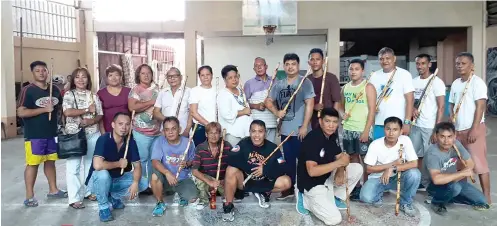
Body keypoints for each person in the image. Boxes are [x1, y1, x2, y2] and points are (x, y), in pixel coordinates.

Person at [295, 108, 363, 225]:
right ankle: (305, 198)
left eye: (335, 122)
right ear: (320, 121)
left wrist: (340, 170)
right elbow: (312, 171)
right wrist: (339, 164)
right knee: (334, 219)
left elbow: (341, 157)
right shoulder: (313, 138)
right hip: (312, 184)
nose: (331, 125)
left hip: (326, 179)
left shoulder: (331, 137)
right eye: (327, 121)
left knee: (357, 168)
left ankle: (335, 197)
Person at [265, 53, 315, 200]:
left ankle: (306, 188)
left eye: (293, 64)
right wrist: (277, 112)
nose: (290, 67)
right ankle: (290, 189)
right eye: (287, 64)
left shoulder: (304, 82)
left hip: (301, 130)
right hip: (285, 131)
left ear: (298, 66)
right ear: (284, 66)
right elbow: (268, 101)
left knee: (305, 160)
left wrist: (305, 126)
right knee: (289, 162)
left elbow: (310, 104)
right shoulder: (279, 84)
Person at [17, 60, 67, 207]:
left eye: (44, 70)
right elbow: (21, 112)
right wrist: (43, 110)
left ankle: (53, 190)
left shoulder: (55, 89)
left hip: (52, 134)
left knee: (50, 162)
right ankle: (29, 196)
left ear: (48, 72)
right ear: (33, 73)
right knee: (33, 164)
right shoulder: (28, 90)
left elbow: (61, 109)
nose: (41, 73)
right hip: (34, 136)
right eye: (38, 70)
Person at [222, 120, 292, 222]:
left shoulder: (273, 147)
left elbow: (283, 167)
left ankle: (263, 192)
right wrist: (250, 167)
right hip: (245, 182)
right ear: (249, 132)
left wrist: (265, 170)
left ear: (265, 133)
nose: (257, 135)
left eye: (260, 131)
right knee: (230, 169)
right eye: (253, 131)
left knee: (286, 181)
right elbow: (230, 158)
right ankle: (228, 206)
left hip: (264, 182)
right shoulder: (244, 143)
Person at [85, 112, 148, 222]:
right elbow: (97, 165)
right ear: (113, 125)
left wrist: (135, 183)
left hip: (117, 179)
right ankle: (103, 207)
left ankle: (113, 197)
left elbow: (137, 166)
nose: (124, 127)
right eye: (120, 124)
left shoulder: (131, 142)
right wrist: (118, 164)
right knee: (103, 174)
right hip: (97, 181)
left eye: (127, 124)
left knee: (143, 183)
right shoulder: (104, 139)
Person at [449, 52, 491, 203]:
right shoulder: (455, 83)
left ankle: (486, 197)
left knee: (479, 163)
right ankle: (464, 194)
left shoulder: (477, 83)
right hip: (458, 130)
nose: (460, 66)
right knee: (461, 163)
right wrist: (451, 122)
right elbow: (452, 104)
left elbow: (480, 107)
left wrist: (474, 129)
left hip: (473, 129)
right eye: (458, 63)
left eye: (463, 63)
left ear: (472, 65)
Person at [359, 116, 421, 217]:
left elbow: (414, 163)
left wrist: (392, 168)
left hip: (397, 177)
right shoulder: (375, 145)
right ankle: (377, 196)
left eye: (395, 130)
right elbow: (369, 169)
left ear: (401, 131)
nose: (391, 133)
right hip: (379, 178)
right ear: (384, 130)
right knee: (366, 197)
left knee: (414, 174)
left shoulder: (405, 140)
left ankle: (405, 203)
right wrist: (391, 164)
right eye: (388, 129)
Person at [424, 122, 490, 215]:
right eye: (442, 136)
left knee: (481, 201)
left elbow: (470, 163)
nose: (446, 141)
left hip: (453, 180)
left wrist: (461, 173)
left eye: (449, 136)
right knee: (456, 188)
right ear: (436, 136)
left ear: (454, 136)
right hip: (434, 185)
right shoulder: (433, 153)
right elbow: (436, 179)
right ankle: (436, 202)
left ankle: (448, 197)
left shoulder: (456, 144)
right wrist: (462, 173)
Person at [62, 67, 103, 208]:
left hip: (92, 134)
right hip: (74, 136)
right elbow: (67, 112)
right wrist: (86, 110)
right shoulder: (69, 94)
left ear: (88, 79)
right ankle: (74, 198)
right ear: (73, 80)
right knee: (73, 167)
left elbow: (100, 114)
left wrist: (92, 120)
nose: (81, 79)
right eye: (77, 77)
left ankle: (89, 191)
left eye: (84, 76)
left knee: (90, 165)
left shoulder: (93, 95)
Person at [341, 59, 376, 199]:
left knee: (366, 160)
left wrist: (367, 130)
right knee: (353, 159)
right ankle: (357, 187)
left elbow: (373, 110)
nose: (353, 71)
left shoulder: (368, 87)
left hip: (362, 129)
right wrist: (342, 114)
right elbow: (340, 106)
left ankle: (367, 187)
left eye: (356, 69)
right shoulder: (345, 88)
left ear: (362, 71)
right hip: (348, 129)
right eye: (351, 69)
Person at [410, 54, 445, 191]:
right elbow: (411, 101)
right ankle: (419, 181)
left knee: (430, 156)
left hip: (429, 126)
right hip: (415, 125)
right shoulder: (413, 81)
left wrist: (437, 129)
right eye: (418, 64)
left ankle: (432, 184)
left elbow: (441, 107)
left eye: (423, 63)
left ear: (429, 64)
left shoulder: (437, 82)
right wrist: (413, 108)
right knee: (415, 155)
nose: (420, 66)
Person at [150, 116, 198, 217]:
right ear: (163, 131)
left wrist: (187, 163)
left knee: (192, 198)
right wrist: (167, 173)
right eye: (167, 130)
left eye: (173, 128)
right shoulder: (159, 141)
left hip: (182, 178)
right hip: (166, 179)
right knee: (154, 176)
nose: (170, 132)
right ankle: (160, 203)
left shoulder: (188, 142)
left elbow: (194, 161)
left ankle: (182, 194)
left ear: (179, 129)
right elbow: (155, 161)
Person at [128, 63, 161, 195]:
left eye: (148, 73)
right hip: (141, 132)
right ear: (138, 75)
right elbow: (132, 107)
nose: (146, 75)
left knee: (155, 160)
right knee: (143, 159)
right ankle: (142, 186)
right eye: (143, 73)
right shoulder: (135, 90)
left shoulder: (157, 89)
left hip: (157, 131)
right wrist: (151, 102)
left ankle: (154, 184)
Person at [369, 47, 414, 139]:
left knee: (397, 151)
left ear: (394, 59)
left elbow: (410, 100)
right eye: (381, 59)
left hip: (397, 123)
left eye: (387, 58)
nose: (384, 61)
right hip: (379, 123)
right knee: (379, 150)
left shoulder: (404, 74)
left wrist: (407, 122)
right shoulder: (374, 76)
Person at [192, 122, 233, 208]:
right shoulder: (200, 148)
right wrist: (210, 182)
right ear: (206, 134)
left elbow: (234, 166)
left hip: (221, 180)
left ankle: (224, 201)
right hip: (207, 179)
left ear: (220, 134)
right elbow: (194, 171)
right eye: (211, 133)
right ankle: (204, 201)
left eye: (216, 133)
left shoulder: (226, 146)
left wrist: (225, 179)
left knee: (228, 197)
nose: (213, 136)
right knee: (200, 181)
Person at [244, 57, 278, 143]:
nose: (259, 67)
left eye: (261, 65)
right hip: (256, 126)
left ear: (266, 66)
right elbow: (244, 103)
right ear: (253, 69)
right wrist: (256, 106)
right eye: (256, 66)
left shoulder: (275, 81)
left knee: (270, 149)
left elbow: (279, 101)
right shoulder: (249, 83)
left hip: (272, 123)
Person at [217, 65, 253, 145]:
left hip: (246, 132)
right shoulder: (223, 94)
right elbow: (226, 114)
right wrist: (243, 112)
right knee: (233, 156)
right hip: (233, 134)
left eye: (235, 77)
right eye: (230, 78)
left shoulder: (240, 91)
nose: (234, 80)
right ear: (225, 80)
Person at [307, 48, 342, 129]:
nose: (315, 62)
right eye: (312, 59)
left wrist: (333, 121)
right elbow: (303, 103)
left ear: (323, 61)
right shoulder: (306, 80)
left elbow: (337, 101)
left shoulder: (331, 78)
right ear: (309, 62)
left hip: (328, 123)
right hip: (311, 122)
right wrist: (313, 107)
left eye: (318, 59)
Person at [153, 67, 192, 137]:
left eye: (175, 76)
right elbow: (156, 113)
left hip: (183, 131)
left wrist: (187, 130)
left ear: (181, 77)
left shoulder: (189, 92)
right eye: (169, 77)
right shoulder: (162, 92)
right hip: (166, 132)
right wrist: (170, 121)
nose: (172, 79)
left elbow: (192, 113)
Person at [97, 65, 131, 134]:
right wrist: (103, 132)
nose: (114, 78)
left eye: (116, 75)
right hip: (107, 129)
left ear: (121, 77)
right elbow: (99, 115)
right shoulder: (101, 93)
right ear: (106, 78)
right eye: (110, 75)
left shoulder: (129, 91)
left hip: (125, 130)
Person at [189, 65, 217, 146]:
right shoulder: (194, 91)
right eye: (202, 75)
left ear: (212, 75)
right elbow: (193, 112)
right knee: (202, 153)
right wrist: (209, 125)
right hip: (200, 128)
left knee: (216, 152)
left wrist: (214, 127)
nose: (205, 77)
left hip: (216, 128)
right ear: (199, 77)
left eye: (208, 74)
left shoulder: (218, 90)